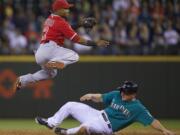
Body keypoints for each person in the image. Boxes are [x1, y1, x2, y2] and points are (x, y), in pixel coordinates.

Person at [13, 0, 109, 93]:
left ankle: (22, 80)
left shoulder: (50, 18)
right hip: (51, 49)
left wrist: (80, 24)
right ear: (58, 10)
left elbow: (65, 29)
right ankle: (55, 62)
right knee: (74, 56)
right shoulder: (60, 22)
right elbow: (77, 39)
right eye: (65, 8)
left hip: (40, 53)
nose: (68, 10)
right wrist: (96, 43)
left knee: (51, 73)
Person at [35, 81, 175, 135]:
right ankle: (51, 123)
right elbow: (101, 97)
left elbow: (152, 120)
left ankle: (67, 133)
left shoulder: (137, 108)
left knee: (85, 127)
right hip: (97, 114)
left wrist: (164, 130)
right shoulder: (117, 94)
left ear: (133, 94)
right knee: (70, 105)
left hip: (106, 127)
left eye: (125, 92)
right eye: (122, 90)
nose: (121, 92)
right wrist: (91, 95)